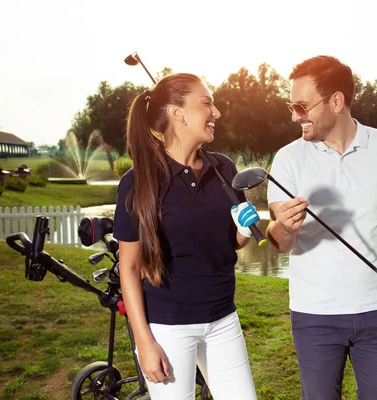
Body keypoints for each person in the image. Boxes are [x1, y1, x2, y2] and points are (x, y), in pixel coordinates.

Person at [266, 56, 377, 400]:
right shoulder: (287, 159)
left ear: (336, 101)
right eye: (291, 106)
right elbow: (279, 243)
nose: (294, 116)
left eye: (301, 106)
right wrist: (284, 226)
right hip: (314, 316)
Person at [113, 73, 259, 400]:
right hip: (168, 327)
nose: (216, 113)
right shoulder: (138, 182)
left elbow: (233, 242)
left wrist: (242, 230)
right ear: (178, 113)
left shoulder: (225, 169)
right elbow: (130, 268)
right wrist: (144, 342)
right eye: (207, 104)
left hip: (223, 318)